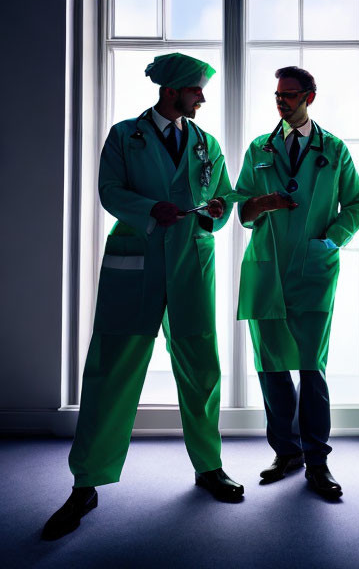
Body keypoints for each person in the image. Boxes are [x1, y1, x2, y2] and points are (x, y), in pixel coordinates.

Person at [42, 52, 240, 541]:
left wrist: (215, 208)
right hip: (137, 263)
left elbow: (225, 199)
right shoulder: (124, 136)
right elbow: (110, 191)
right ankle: (86, 483)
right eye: (196, 90)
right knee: (112, 371)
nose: (203, 98)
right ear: (171, 90)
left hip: (192, 264)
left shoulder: (206, 143)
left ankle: (208, 466)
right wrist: (153, 208)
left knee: (202, 368)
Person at [235, 66, 359, 500]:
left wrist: (331, 240)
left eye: (289, 95)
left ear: (310, 96)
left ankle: (317, 459)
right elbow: (242, 213)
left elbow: (358, 204)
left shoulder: (334, 150)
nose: (281, 101)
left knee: (311, 367)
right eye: (277, 95)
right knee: (272, 367)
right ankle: (285, 452)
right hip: (267, 268)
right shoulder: (259, 148)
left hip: (313, 269)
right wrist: (264, 202)